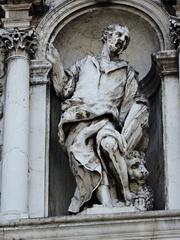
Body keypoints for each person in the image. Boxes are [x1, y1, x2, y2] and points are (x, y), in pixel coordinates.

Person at [46, 24, 149, 213]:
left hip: (107, 119)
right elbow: (64, 89)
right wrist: (56, 63)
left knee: (109, 144)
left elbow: (128, 105)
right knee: (86, 159)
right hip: (76, 119)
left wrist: (126, 129)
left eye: (126, 39)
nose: (122, 41)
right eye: (119, 35)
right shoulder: (84, 63)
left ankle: (126, 194)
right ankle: (107, 203)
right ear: (106, 35)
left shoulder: (127, 71)